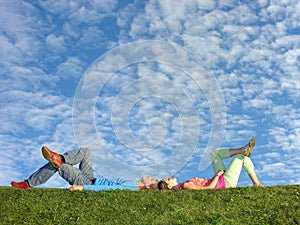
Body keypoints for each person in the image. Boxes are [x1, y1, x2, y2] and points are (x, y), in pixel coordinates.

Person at [11, 146, 158, 191]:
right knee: (86, 152)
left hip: (87, 183)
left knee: (59, 166)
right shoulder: (133, 183)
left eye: (152, 179)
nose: (150, 176)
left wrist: (82, 188)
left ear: (148, 184)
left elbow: (110, 189)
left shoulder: (133, 187)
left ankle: (28, 184)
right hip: (91, 178)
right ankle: (60, 157)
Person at [158, 137, 263, 190]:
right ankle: (257, 184)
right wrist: (217, 175)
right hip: (224, 184)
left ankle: (241, 149)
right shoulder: (185, 185)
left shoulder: (183, 184)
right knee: (241, 158)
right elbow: (209, 189)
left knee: (214, 153)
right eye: (168, 179)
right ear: (170, 186)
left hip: (220, 179)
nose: (170, 177)